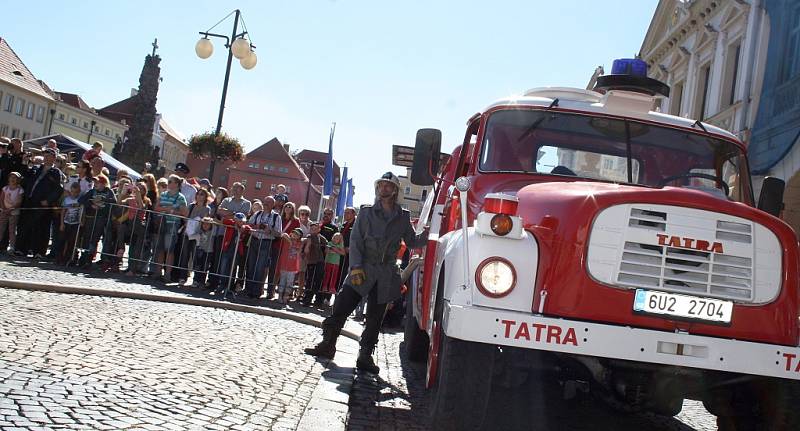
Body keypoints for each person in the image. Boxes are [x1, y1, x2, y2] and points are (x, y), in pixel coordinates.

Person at [305, 172, 428, 374]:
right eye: (381, 185)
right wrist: (355, 267)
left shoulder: (403, 216)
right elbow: (355, 241)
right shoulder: (366, 212)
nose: (384, 189)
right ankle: (328, 345)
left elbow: (413, 241)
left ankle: (365, 356)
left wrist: (429, 233)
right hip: (363, 267)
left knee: (374, 318)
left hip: (386, 273)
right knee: (341, 308)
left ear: (395, 190)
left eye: (388, 186)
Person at [17, 148, 64, 259]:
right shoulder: (36, 168)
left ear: (54, 158)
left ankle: (39, 251)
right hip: (30, 200)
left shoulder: (56, 172)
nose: (46, 158)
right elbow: (25, 177)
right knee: (25, 225)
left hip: (43, 203)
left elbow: (58, 189)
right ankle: (22, 249)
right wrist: (25, 163)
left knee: (41, 227)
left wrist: (48, 200)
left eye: (49, 156)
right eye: (45, 156)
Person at [245, 196, 281, 299]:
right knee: (251, 265)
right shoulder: (257, 214)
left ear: (272, 205)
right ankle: (248, 289)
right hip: (254, 240)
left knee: (260, 267)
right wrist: (257, 226)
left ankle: (256, 291)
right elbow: (249, 224)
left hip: (266, 242)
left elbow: (279, 233)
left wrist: (269, 230)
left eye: (269, 202)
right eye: (265, 202)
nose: (266, 204)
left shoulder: (276, 217)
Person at [153, 175, 188, 282]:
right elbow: (156, 208)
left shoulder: (181, 197)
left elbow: (185, 213)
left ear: (176, 184)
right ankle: (158, 272)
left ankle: (167, 274)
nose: (168, 183)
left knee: (169, 250)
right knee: (160, 249)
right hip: (161, 223)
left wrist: (171, 211)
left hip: (172, 225)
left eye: (170, 181)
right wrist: (167, 209)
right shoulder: (163, 194)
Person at [77, 175, 116, 267]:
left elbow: (114, 202)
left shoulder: (108, 191)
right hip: (90, 217)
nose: (95, 184)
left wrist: (103, 200)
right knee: (87, 237)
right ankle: (84, 257)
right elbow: (81, 200)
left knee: (95, 238)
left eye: (98, 182)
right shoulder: (92, 191)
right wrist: (91, 204)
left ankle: (89, 258)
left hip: (101, 218)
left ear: (103, 183)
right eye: (95, 182)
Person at [177, 188, 212, 285]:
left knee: (197, 257)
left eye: (202, 194)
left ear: (205, 197)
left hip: (198, 236)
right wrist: (190, 222)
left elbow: (206, 222)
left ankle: (196, 279)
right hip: (187, 234)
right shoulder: (191, 206)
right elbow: (185, 218)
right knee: (185, 256)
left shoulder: (207, 209)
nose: (199, 196)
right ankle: (182, 277)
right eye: (198, 194)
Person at [300, 221, 327, 306]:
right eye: (312, 228)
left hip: (320, 261)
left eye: (315, 229)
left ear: (319, 229)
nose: (313, 230)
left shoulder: (321, 237)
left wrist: (327, 248)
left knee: (319, 280)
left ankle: (318, 300)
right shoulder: (309, 237)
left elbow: (326, 244)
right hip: (311, 261)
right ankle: (307, 298)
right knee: (310, 280)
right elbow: (307, 247)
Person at [316, 207, 340, 304]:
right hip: (317, 254)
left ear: (332, 216)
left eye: (329, 214)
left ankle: (324, 298)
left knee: (325, 277)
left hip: (327, 255)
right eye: (325, 213)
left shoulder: (334, 228)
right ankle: (315, 297)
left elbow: (335, 242)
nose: (326, 215)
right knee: (317, 276)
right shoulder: (319, 225)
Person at [276, 227, 303, 305]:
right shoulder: (287, 239)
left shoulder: (299, 243)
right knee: (282, 281)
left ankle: (286, 296)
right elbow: (283, 234)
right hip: (284, 265)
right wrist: (290, 242)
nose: (294, 235)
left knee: (290, 282)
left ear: (299, 237)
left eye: (297, 234)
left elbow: (299, 249)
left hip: (292, 267)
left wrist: (293, 243)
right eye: (293, 233)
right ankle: (280, 296)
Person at [58, 182, 83, 265]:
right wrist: (62, 223)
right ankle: (59, 258)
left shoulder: (80, 200)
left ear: (79, 192)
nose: (74, 194)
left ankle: (68, 258)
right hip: (66, 222)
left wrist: (82, 221)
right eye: (72, 191)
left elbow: (82, 211)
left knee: (71, 241)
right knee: (62, 240)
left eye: (76, 192)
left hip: (75, 223)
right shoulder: (67, 199)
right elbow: (63, 212)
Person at [0, 172, 24, 254]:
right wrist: (4, 208)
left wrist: (10, 209)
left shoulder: (20, 190)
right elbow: (1, 199)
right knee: (1, 229)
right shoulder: (5, 188)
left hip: (14, 212)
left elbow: (19, 201)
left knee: (12, 230)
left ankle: (12, 247)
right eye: (11, 177)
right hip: (4, 211)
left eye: (15, 177)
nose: (13, 179)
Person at [320, 232, 346, 304]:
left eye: (337, 239)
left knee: (334, 276)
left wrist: (334, 250)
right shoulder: (330, 243)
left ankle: (332, 287)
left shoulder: (340, 245)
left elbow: (343, 253)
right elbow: (327, 251)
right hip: (328, 262)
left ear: (340, 240)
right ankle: (325, 286)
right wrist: (336, 251)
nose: (335, 239)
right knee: (327, 275)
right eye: (334, 237)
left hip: (336, 263)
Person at [190, 217, 216, 288]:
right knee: (197, 266)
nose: (205, 225)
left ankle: (202, 282)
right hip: (199, 251)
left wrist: (212, 221)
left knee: (205, 267)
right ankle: (195, 280)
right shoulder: (199, 232)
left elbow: (215, 228)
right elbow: (191, 236)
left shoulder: (212, 232)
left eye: (208, 224)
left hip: (208, 252)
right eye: (204, 224)